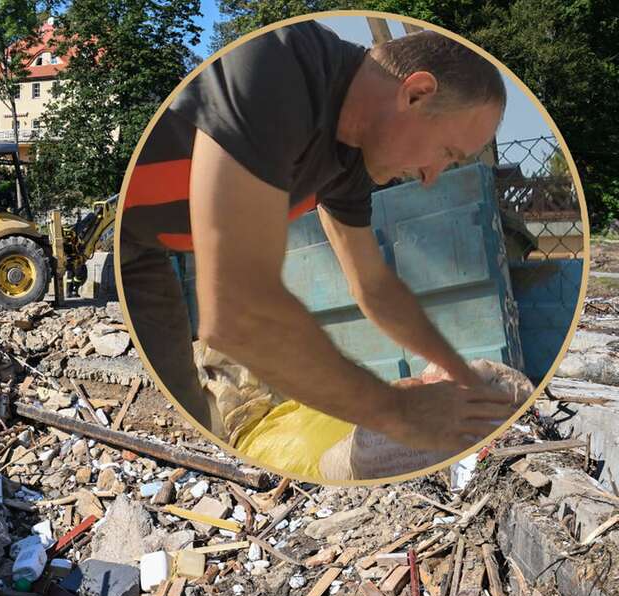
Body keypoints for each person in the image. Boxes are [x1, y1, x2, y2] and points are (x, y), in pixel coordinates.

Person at [120, 22, 517, 454]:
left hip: (147, 255)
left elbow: (375, 287)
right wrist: (400, 412)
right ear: (416, 93)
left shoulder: (350, 159)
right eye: (446, 153)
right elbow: (237, 317)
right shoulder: (277, 63)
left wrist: (459, 376)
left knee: (186, 402)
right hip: (121, 237)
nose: (430, 178)